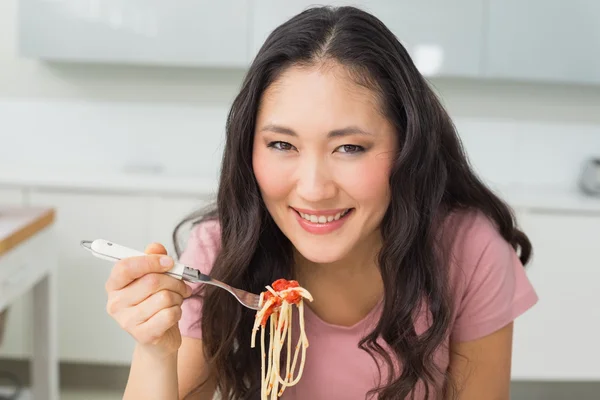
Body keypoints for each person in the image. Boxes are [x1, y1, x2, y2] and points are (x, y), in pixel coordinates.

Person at [104, 5, 538, 400]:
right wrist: (156, 349)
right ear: (247, 148)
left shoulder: (469, 251)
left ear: (407, 146)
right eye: (281, 144)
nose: (313, 189)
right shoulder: (221, 251)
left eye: (349, 148)